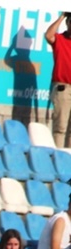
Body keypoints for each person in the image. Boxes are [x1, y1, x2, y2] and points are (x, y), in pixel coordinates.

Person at [46, 12, 71, 148]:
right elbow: (48, 35)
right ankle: (59, 159)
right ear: (68, 23)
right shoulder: (60, 39)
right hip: (63, 88)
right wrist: (62, 16)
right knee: (60, 127)